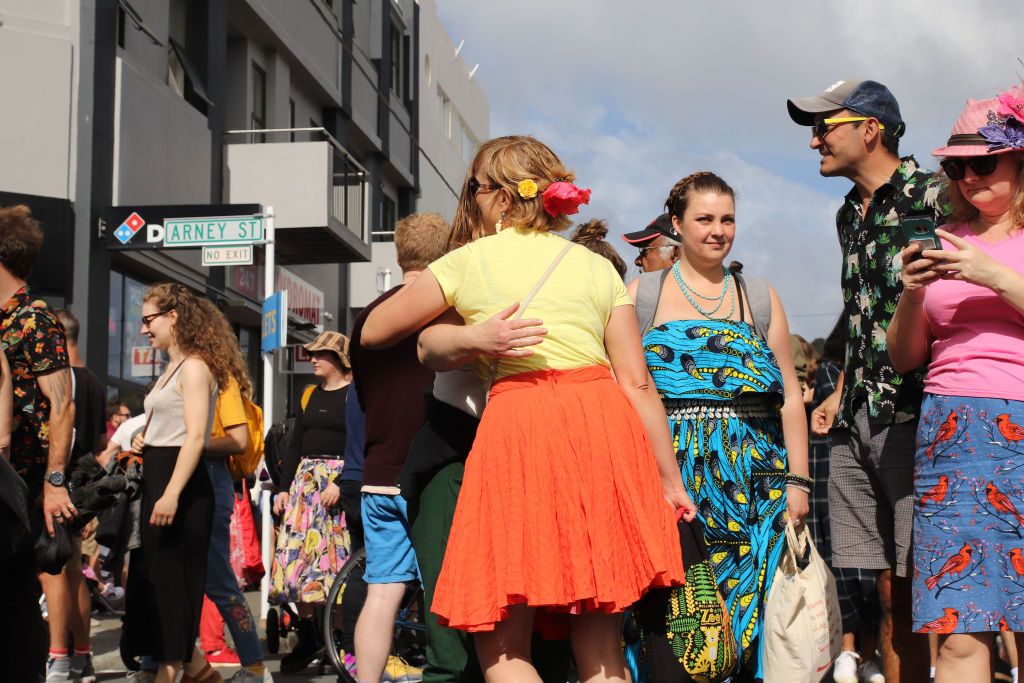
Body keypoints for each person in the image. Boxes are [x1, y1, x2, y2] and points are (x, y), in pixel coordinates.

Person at [361, 135, 692, 682]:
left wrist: (473, 336)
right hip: (603, 425)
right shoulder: (597, 269)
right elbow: (637, 384)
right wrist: (669, 481)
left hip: (523, 425)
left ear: (497, 197)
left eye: (475, 189)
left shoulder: (470, 261)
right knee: (603, 640)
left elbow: (374, 331)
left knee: (505, 645)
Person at [788, 78, 947, 682]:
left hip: (921, 414)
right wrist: (838, 389)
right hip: (856, 416)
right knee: (887, 586)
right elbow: (862, 314)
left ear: (870, 129)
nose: (814, 141)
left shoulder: (938, 195)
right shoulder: (846, 213)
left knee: (936, 579)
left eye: (825, 126)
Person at [628, 171, 809, 680]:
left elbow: (791, 397)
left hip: (758, 483)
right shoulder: (641, 295)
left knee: (760, 626)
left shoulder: (758, 295)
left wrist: (798, 481)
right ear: (677, 225)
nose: (718, 230)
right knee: (682, 626)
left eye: (727, 219)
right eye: (704, 218)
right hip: (675, 483)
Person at [886, 84, 1024, 683]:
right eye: (957, 165)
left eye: (983, 162)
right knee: (961, 622)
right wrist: (913, 292)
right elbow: (904, 356)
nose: (969, 176)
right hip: (955, 431)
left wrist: (992, 274)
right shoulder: (944, 239)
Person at [351, 212, 448, 683]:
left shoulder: (369, 319)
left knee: (382, 592)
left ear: (397, 253)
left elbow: (366, 398)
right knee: (444, 592)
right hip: (433, 474)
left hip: (378, 470)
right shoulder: (449, 314)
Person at [123, 283, 221, 683]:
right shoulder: (172, 368)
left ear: (173, 316)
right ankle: (202, 674)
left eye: (148, 320)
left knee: (170, 595)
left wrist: (172, 494)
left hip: (179, 490)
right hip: (160, 482)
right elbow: (175, 427)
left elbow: (196, 436)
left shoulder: (195, 366)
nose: (144, 329)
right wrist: (144, 438)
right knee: (155, 590)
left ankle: (174, 668)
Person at [0, 205, 78, 682]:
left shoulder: (34, 319)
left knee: (13, 602)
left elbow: (63, 404)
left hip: (18, 488)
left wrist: (54, 483)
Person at [190, 298, 271, 682]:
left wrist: (187, 443)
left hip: (210, 480)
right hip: (198, 479)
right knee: (186, 579)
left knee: (219, 580)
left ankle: (254, 666)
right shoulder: (191, 372)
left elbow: (238, 441)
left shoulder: (218, 379)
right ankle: (185, 664)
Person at [270, 330, 352, 673]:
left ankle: (338, 640)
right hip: (305, 485)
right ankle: (310, 638)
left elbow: (359, 442)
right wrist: (284, 487)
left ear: (340, 360)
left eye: (321, 354)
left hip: (335, 484)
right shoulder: (307, 395)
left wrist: (342, 481)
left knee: (334, 564)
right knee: (297, 564)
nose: (313, 359)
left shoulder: (356, 396)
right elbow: (294, 444)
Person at [810, 319, 883, 683]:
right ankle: (854, 653)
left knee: (851, 568)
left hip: (831, 476)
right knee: (856, 569)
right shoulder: (832, 374)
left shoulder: (828, 374)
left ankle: (855, 654)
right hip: (839, 475)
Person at [54, 307, 106, 683]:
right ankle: (82, 657)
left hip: (59, 487)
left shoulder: (61, 379)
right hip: (83, 489)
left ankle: (59, 657)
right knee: (76, 575)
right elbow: (101, 444)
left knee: (55, 574)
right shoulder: (96, 383)